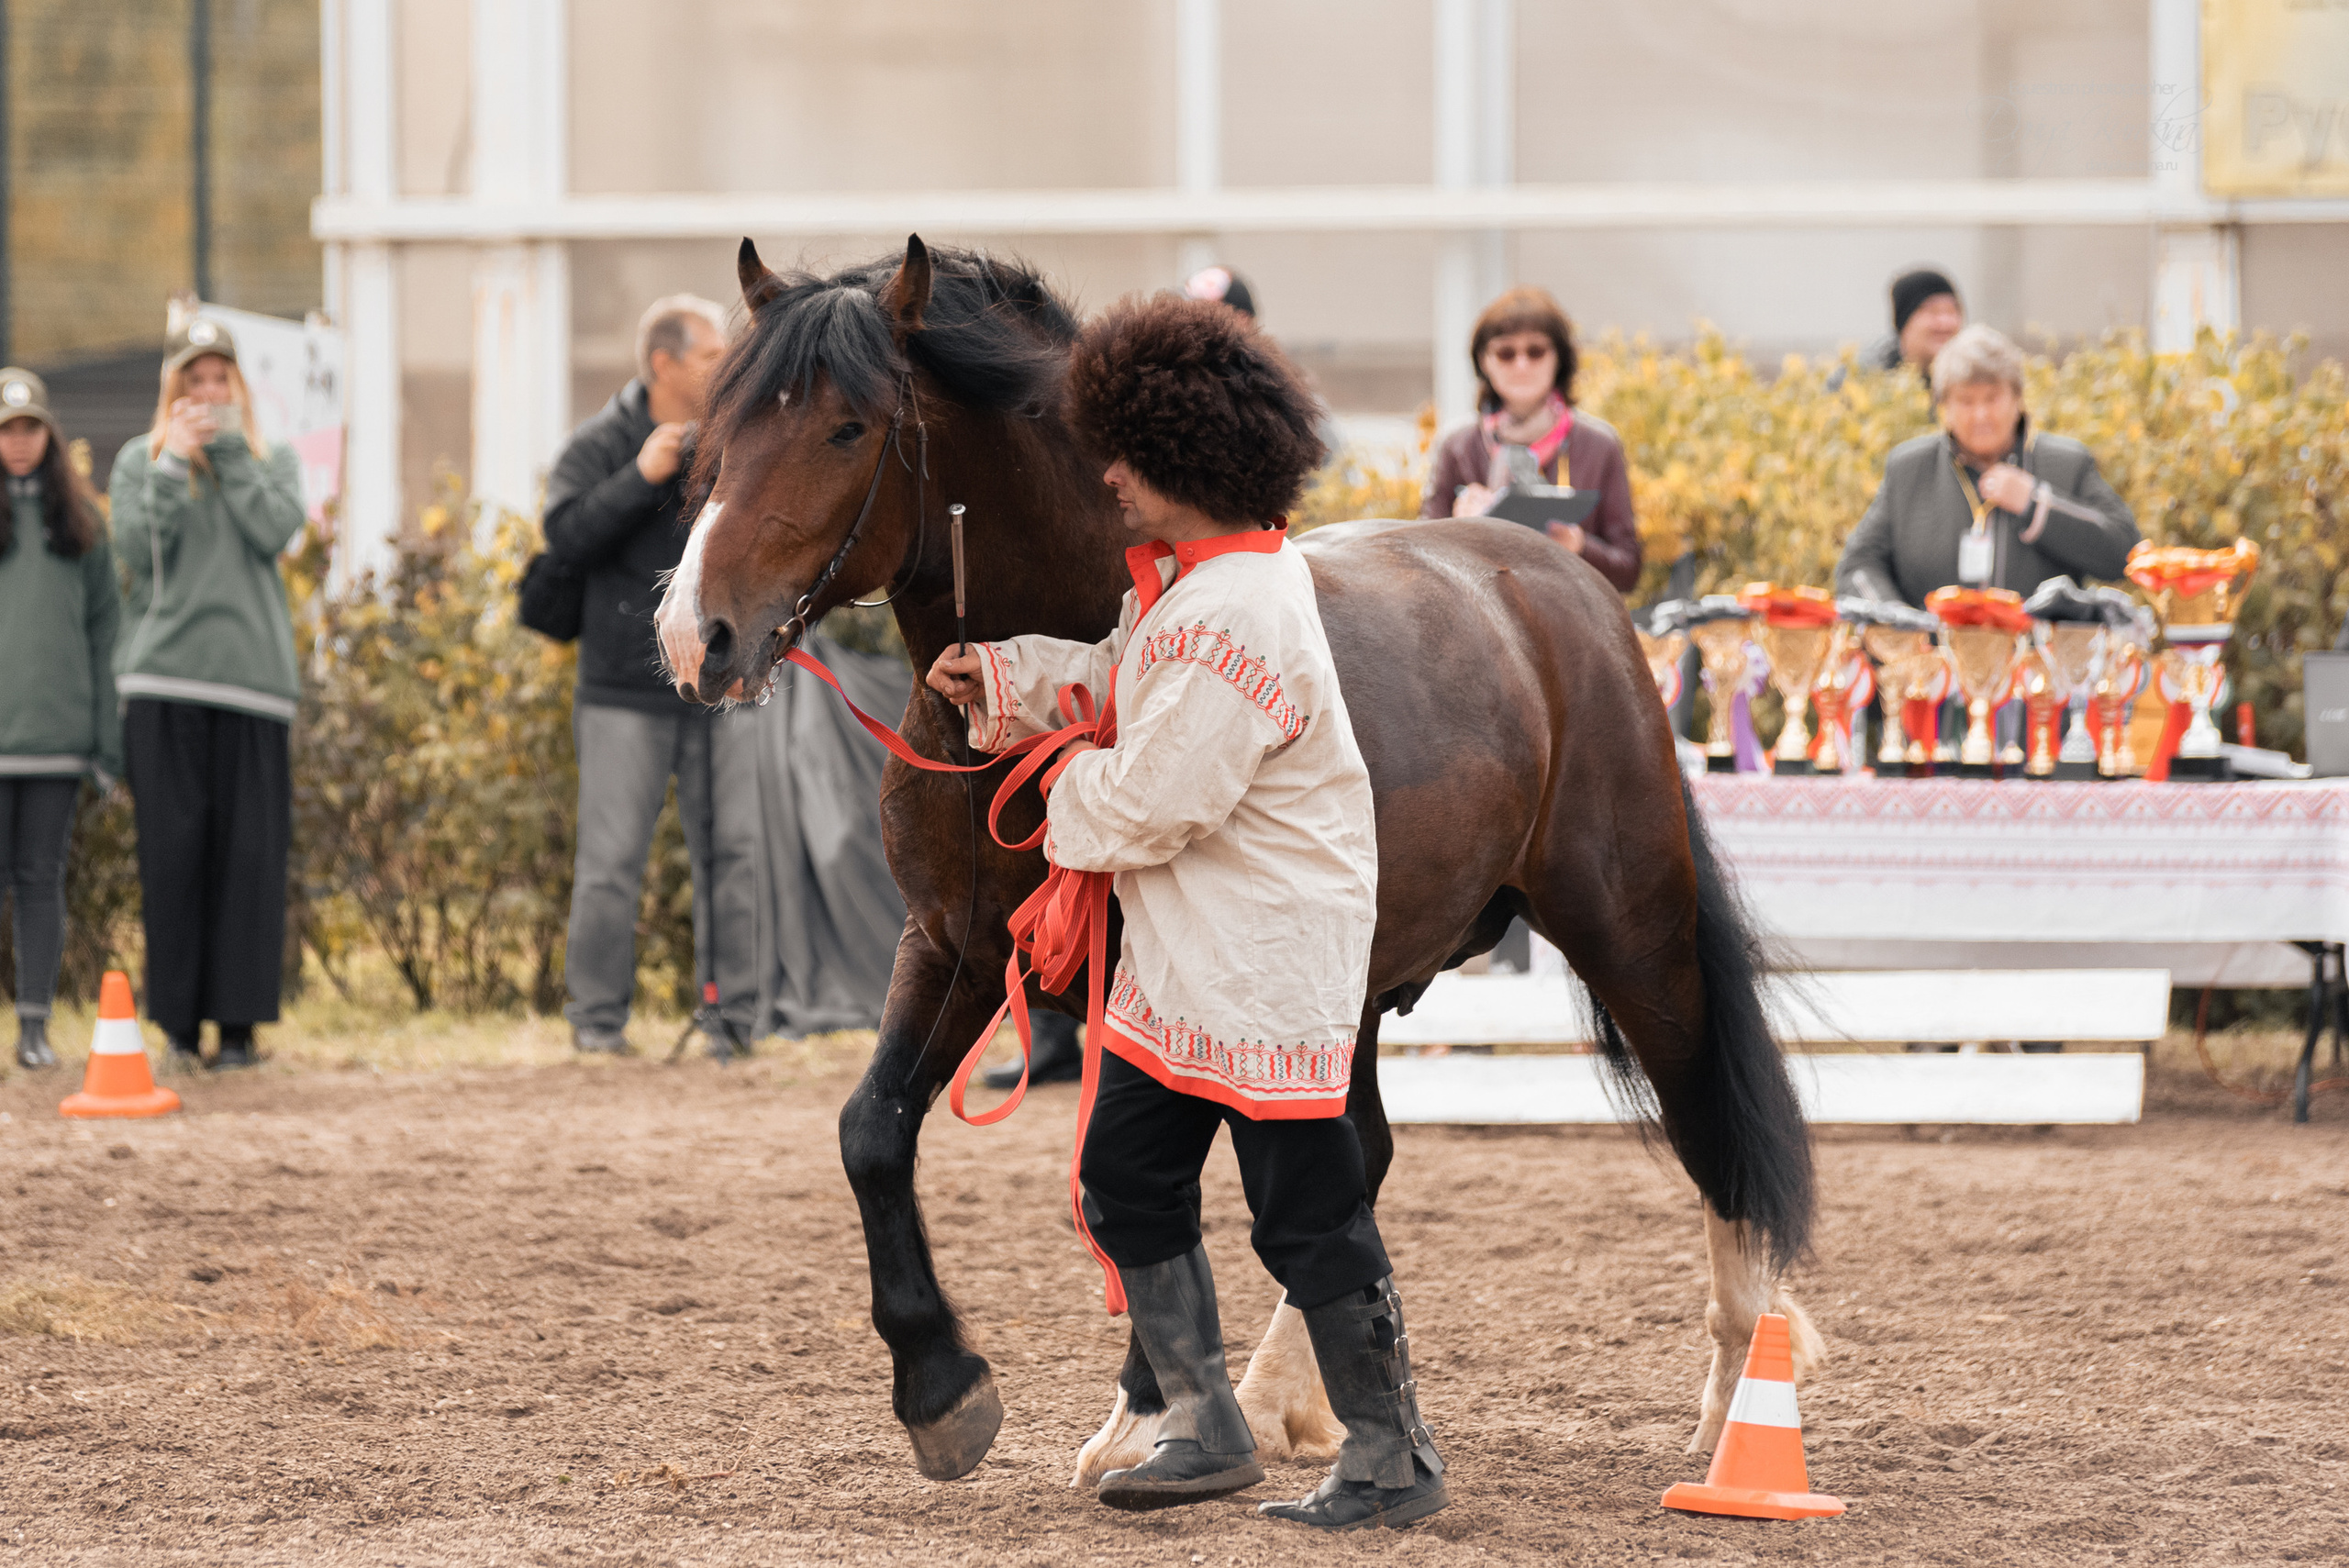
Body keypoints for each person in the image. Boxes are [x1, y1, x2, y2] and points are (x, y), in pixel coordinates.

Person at [927, 295, 1448, 1530]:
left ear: (1185, 458)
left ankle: (1390, 1453)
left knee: (1307, 1215)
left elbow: (1153, 797)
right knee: (1125, 1174)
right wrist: (1008, 684)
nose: (1104, 473)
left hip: (1261, 970)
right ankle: (1200, 1420)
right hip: (1190, 970)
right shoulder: (1197, 590)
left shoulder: (1236, 617)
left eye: (1124, 451)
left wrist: (1053, 796)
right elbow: (1123, 684)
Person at [543, 294, 761, 1055]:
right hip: (619, 697)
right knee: (608, 865)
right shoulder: (599, 442)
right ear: (664, 364)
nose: (722, 367)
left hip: (719, 690)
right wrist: (641, 476)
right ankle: (597, 1026)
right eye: (708, 355)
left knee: (734, 854)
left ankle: (732, 1021)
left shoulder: (734, 442)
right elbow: (563, 538)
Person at [110, 321, 305, 1070]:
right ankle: (180, 1031)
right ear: (175, 389)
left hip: (254, 686)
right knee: (174, 854)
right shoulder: (141, 461)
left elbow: (273, 530)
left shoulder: (271, 459)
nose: (208, 392)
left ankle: (240, 1031)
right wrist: (172, 467)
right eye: (195, 380)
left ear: (239, 387)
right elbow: (138, 553)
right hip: (164, 683)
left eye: (220, 378)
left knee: (250, 859)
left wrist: (226, 452)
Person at [1835, 324, 2139, 606]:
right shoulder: (1910, 469)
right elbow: (1857, 565)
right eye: (1966, 401)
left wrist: (2036, 504)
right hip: (1935, 658)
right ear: (1944, 407)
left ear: (2017, 398)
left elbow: (2126, 552)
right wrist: (1899, 628)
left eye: (1992, 398)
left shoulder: (2066, 463)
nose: (1980, 415)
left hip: (2036, 657)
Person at [0, 369, 119, 1070]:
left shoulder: (83, 525)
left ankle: (35, 1029)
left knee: (41, 880)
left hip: (55, 742)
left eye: (30, 428)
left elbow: (107, 633)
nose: (18, 443)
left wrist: (105, 742)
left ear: (50, 436)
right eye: (7, 430)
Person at [1420, 286, 1641, 593]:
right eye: (1506, 353)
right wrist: (1459, 531)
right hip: (1482, 631)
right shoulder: (1457, 447)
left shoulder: (1599, 445)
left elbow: (1628, 570)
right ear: (1484, 361)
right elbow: (1420, 564)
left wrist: (1579, 547)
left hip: (1573, 627)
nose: (1521, 364)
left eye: (1535, 351)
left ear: (1559, 359)